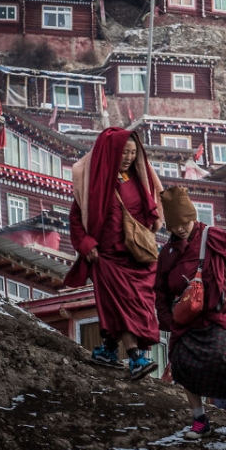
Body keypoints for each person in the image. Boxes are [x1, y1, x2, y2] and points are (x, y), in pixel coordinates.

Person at [154, 186, 226, 439]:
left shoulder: (214, 237)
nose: (181, 229)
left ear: (192, 216)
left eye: (185, 222)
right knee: (182, 364)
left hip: (221, 312)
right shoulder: (167, 254)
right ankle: (200, 418)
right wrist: (166, 319)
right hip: (187, 319)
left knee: (217, 356)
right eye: (174, 225)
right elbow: (160, 291)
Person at [66, 127, 164, 381]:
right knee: (120, 307)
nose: (129, 158)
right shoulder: (94, 182)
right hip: (107, 256)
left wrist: (155, 221)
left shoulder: (139, 181)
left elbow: (152, 210)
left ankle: (107, 351)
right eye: (124, 152)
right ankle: (136, 358)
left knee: (138, 306)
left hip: (138, 257)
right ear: (112, 152)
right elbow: (77, 218)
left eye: (133, 153)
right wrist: (86, 245)